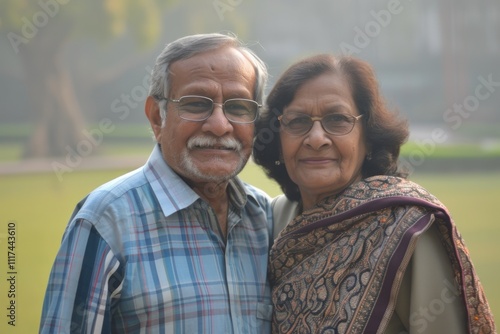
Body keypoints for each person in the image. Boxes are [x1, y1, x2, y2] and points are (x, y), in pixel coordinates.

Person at [40, 33, 274, 333]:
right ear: (156, 117)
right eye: (196, 104)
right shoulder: (106, 221)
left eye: (239, 107)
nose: (219, 125)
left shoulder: (264, 218)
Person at [253, 54, 496, 333]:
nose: (317, 138)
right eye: (297, 121)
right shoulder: (270, 219)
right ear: (278, 137)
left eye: (337, 119)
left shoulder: (407, 225)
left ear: (368, 137)